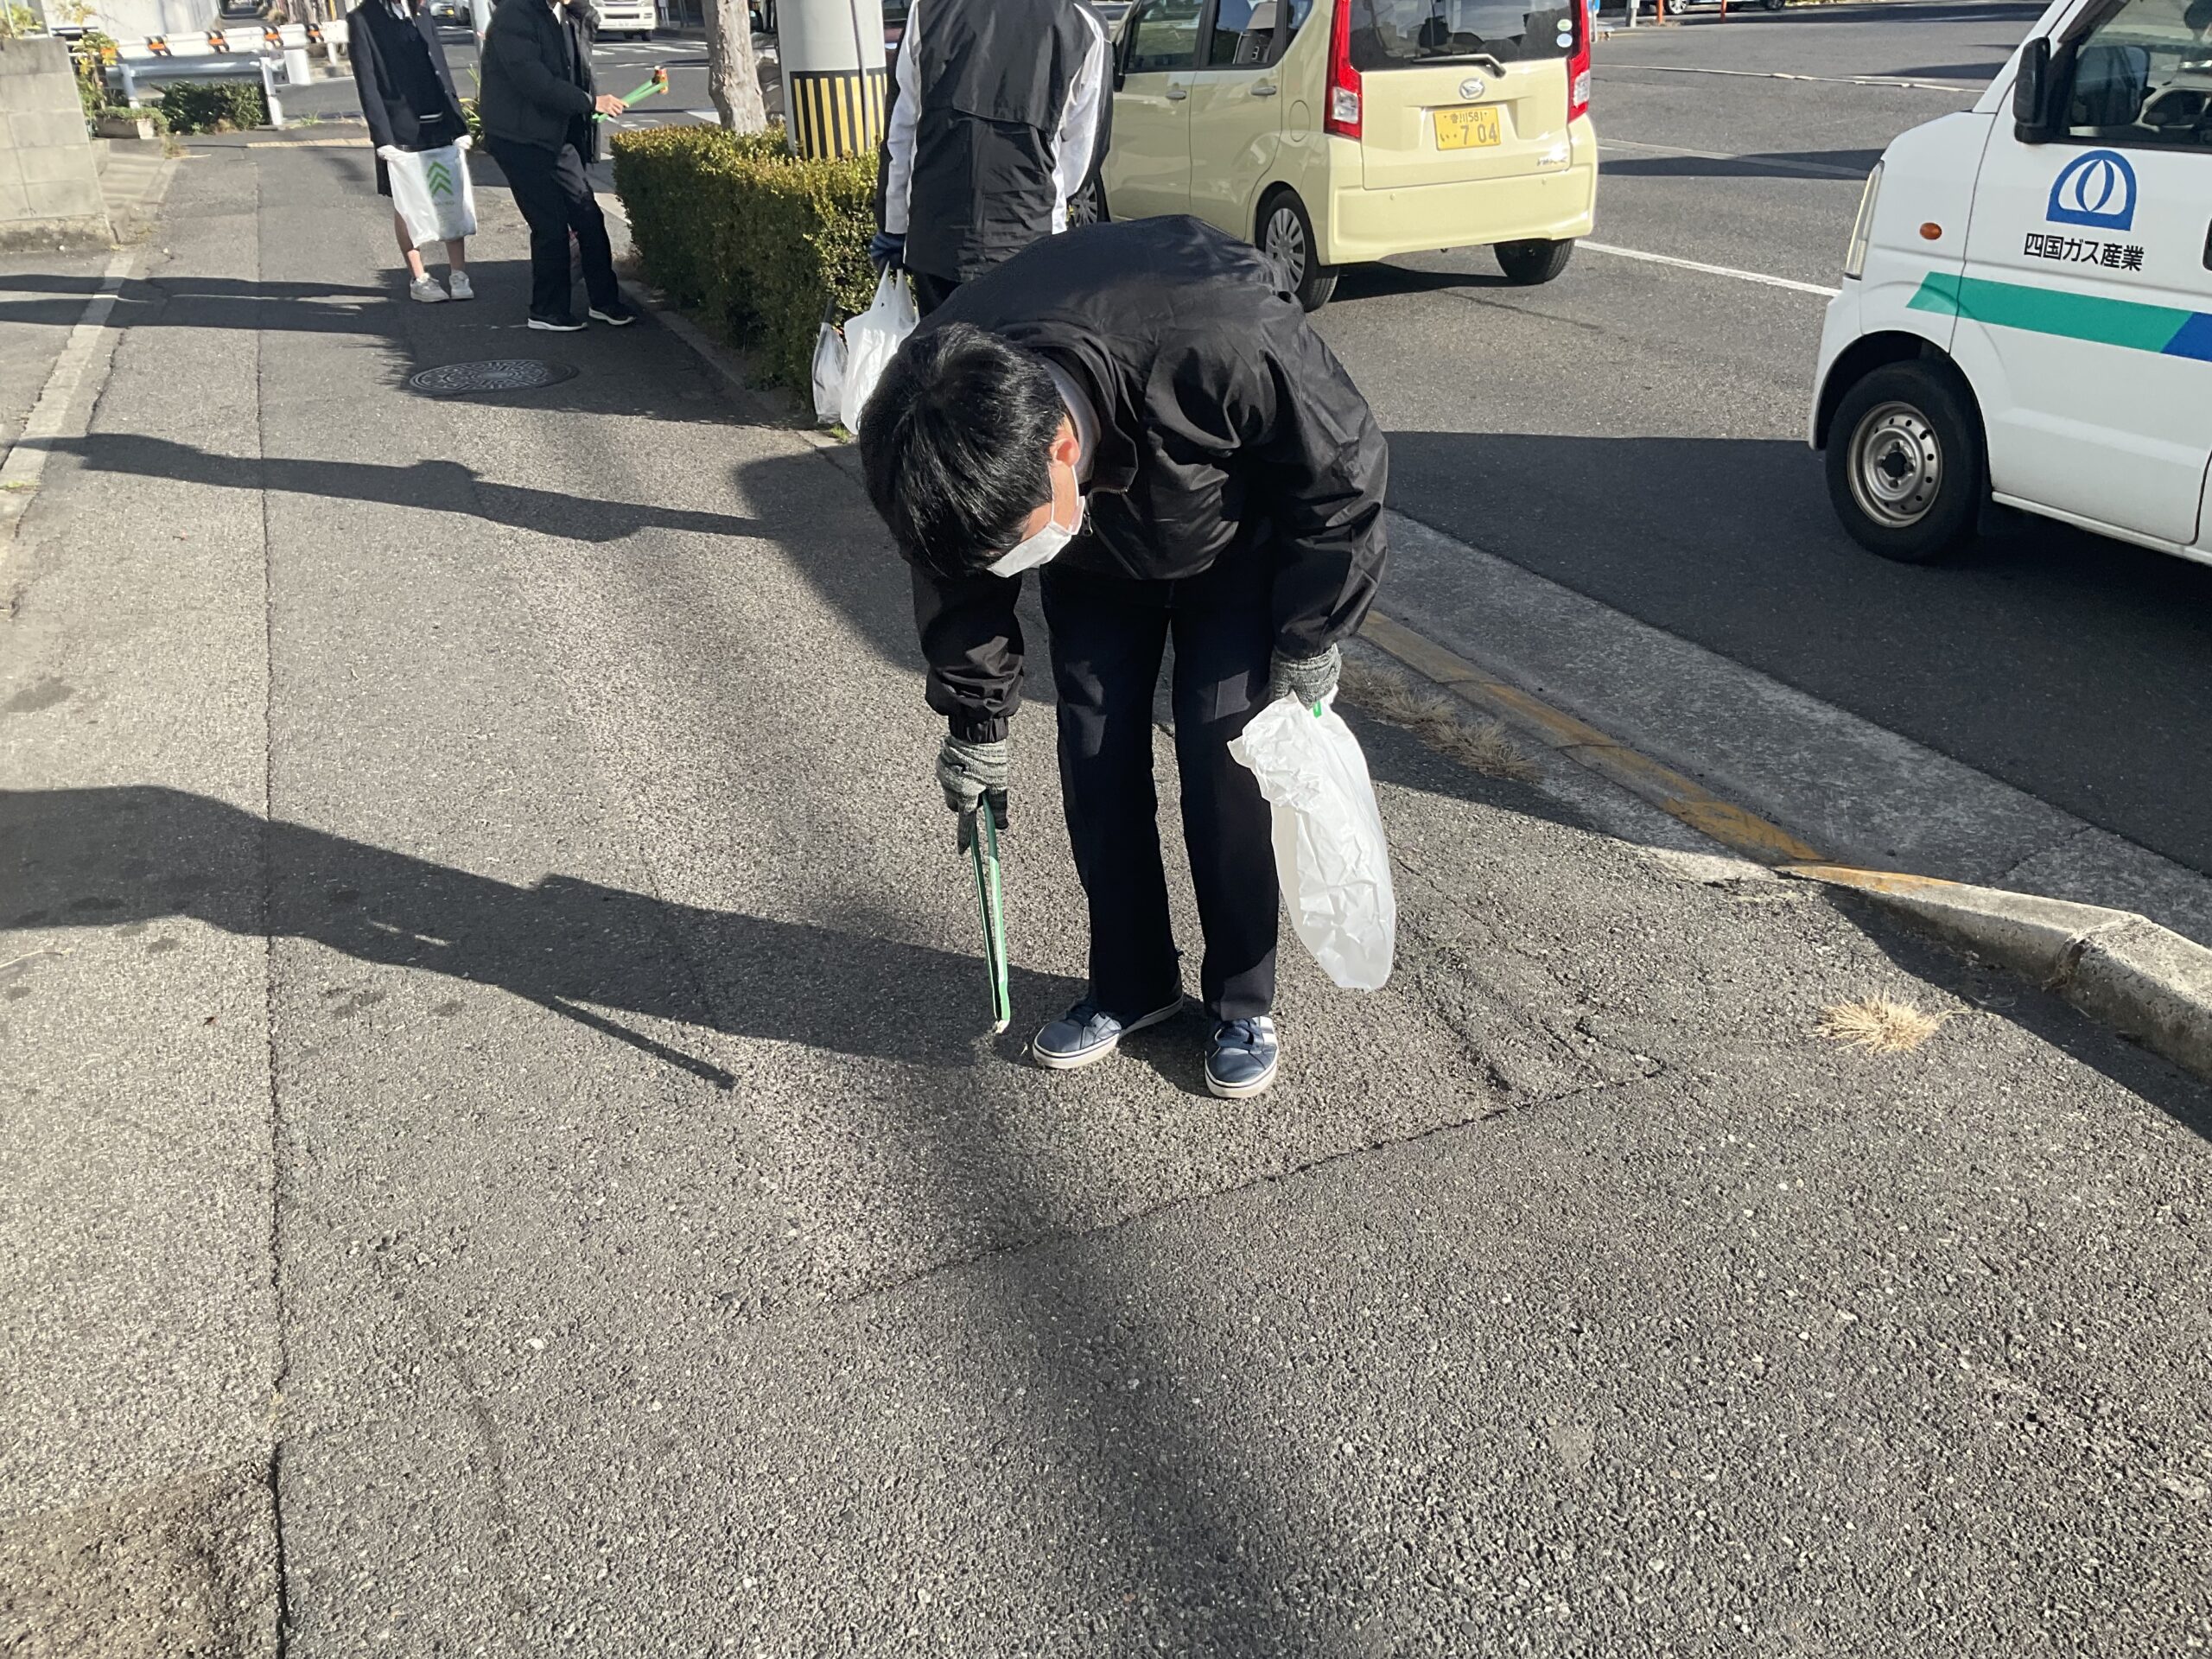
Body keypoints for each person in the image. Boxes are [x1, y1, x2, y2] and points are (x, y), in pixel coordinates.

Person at [856, 215, 1389, 1101]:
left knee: (1226, 762)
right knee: (1096, 760)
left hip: (1233, 544)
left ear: (1061, 451)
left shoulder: (1225, 337)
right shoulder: (942, 403)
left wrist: (1310, 634)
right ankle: (1132, 983)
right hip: (1096, 559)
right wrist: (977, 720)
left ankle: (1241, 1000)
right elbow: (957, 567)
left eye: (1012, 539)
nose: (1002, 563)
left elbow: (1341, 474)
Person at [870, 0, 1110, 316]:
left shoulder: (927, 9)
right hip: (1029, 234)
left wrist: (893, 228)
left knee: (940, 357)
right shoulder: (1084, 22)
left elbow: (900, 134)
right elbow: (1083, 156)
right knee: (1019, 358)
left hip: (938, 232)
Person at [476, 0, 635, 332]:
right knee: (550, 224)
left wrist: (580, 12)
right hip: (518, 137)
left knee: (588, 214)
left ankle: (604, 301)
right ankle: (546, 310)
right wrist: (591, 102)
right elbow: (533, 81)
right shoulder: (514, 15)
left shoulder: (562, 13)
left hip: (554, 133)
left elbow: (578, 57)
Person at [347, 0, 474, 303]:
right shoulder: (363, 19)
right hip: (399, 128)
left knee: (449, 196)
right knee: (407, 203)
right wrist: (382, 138)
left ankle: (458, 273)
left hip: (439, 121)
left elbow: (440, 69)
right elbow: (368, 82)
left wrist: (459, 123)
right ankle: (420, 278)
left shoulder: (421, 12)